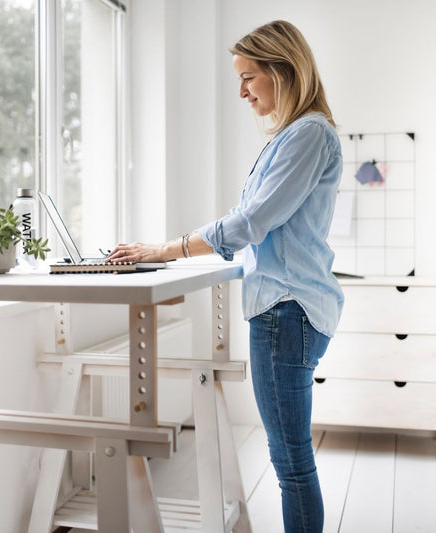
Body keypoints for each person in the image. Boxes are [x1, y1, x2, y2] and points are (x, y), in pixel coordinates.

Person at [108, 19, 343, 533]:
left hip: (288, 310)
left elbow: (253, 221)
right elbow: (263, 229)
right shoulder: (297, 135)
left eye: (249, 77)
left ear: (284, 71)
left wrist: (169, 249)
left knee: (291, 464)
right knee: (291, 459)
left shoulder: (307, 133)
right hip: (289, 307)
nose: (241, 92)